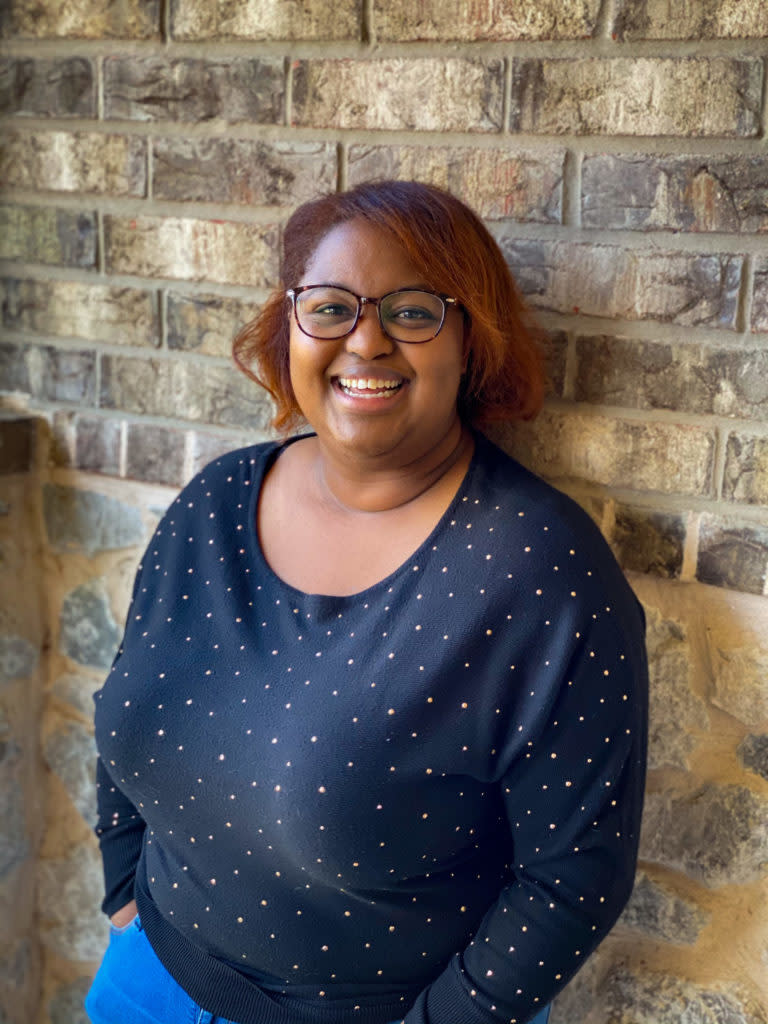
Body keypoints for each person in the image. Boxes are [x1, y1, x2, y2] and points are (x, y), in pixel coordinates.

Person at [86, 180, 648, 1024]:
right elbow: (131, 699)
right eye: (331, 307)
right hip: (147, 979)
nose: (367, 341)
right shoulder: (215, 502)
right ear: (290, 327)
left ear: (471, 342)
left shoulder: (542, 570)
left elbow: (574, 876)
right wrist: (123, 878)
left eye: (413, 312)